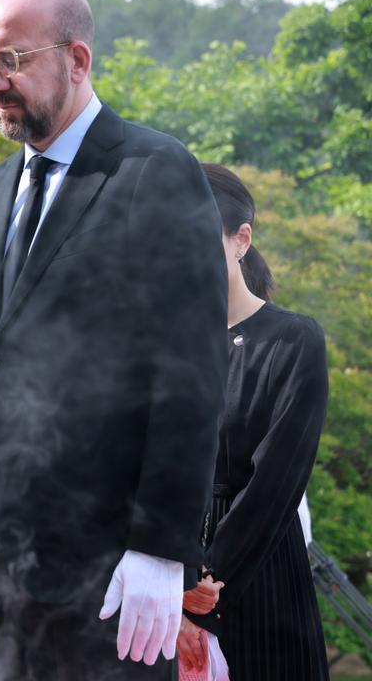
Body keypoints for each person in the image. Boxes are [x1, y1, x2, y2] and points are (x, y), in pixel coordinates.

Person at [0, 0, 229, 680]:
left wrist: (161, 549)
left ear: (78, 59)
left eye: (13, 59)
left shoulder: (155, 173)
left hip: (111, 574)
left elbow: (190, 373)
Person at [178, 164, 329, 680]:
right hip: (166, 578)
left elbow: (278, 479)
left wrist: (208, 580)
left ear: (241, 239)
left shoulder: (294, 340)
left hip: (260, 571)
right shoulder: (159, 348)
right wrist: (174, 582)